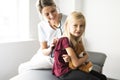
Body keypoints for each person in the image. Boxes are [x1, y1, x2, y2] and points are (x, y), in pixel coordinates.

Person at [52, 11, 107, 80]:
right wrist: (86, 56)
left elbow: (80, 54)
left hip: (73, 67)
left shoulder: (77, 39)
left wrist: (78, 58)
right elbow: (76, 63)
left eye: (81, 26)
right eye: (75, 25)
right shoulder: (64, 40)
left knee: (103, 77)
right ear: (67, 26)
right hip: (64, 71)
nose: (78, 29)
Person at [18, 0, 67, 73]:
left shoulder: (68, 20)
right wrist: (50, 48)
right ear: (42, 14)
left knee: (23, 67)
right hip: (46, 53)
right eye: (47, 14)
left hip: (60, 56)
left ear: (56, 7)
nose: (51, 16)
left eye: (53, 11)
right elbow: (43, 50)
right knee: (22, 68)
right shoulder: (41, 26)